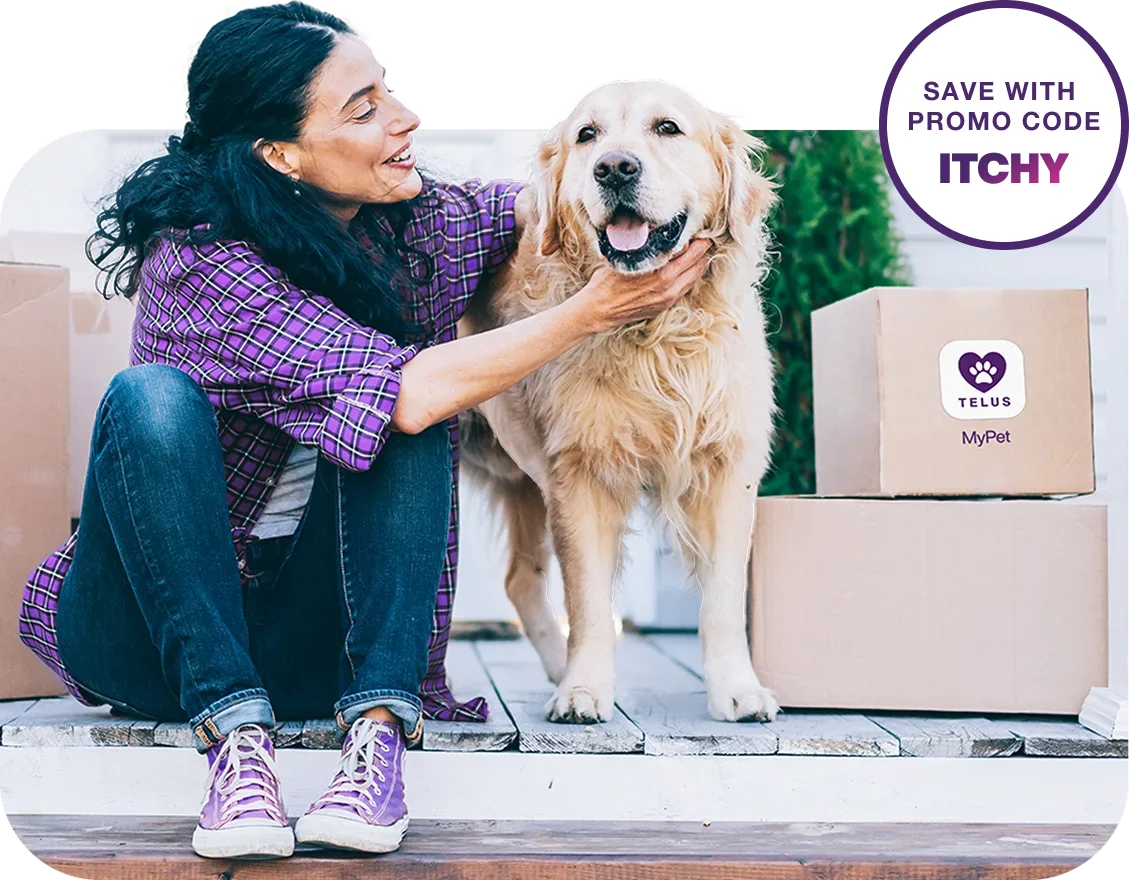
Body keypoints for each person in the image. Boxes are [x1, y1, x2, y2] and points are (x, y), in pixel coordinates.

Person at [17, 0, 713, 861]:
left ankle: (377, 739)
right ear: (282, 155)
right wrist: (590, 310)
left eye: (389, 92)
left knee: (411, 394)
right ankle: (236, 747)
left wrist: (661, 190)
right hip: (150, 638)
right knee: (154, 398)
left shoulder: (414, 224)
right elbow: (404, 393)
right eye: (364, 108)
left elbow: (541, 200)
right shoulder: (198, 260)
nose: (404, 119)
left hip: (318, 642)